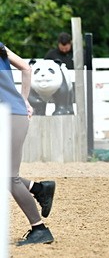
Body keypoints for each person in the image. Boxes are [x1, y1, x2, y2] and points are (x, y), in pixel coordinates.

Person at [0, 42, 57, 245]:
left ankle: (39, 228)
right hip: (15, 113)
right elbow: (26, 67)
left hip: (10, 117)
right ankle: (39, 189)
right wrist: (23, 100)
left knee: (9, 177)